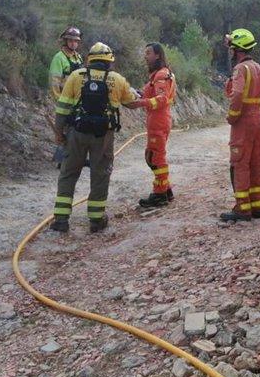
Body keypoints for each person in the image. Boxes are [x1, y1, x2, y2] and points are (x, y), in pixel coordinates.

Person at [50, 42, 139, 233]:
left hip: (77, 133)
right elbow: (131, 102)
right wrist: (146, 99)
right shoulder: (117, 79)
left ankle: (61, 220)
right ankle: (96, 220)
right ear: (109, 61)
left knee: (68, 173)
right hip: (103, 135)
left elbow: (62, 108)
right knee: (100, 174)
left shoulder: (76, 76)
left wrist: (59, 133)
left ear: (90, 59)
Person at [221, 28, 260, 222]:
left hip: (243, 123)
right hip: (255, 123)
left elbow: (237, 94)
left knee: (240, 164)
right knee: (255, 165)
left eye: (231, 48)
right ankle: (256, 206)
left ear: (237, 49)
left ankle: (242, 209)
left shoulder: (240, 69)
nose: (230, 51)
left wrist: (233, 116)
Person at [136, 43, 178, 208]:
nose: (145, 56)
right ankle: (166, 190)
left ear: (157, 55)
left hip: (158, 120)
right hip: (158, 119)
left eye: (148, 53)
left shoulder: (161, 75)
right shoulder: (160, 74)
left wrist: (140, 102)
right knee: (152, 156)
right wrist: (138, 94)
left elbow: (161, 99)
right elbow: (155, 95)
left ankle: (160, 194)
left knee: (156, 158)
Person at [49, 26, 83, 101]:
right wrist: (59, 100)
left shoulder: (79, 58)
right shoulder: (59, 57)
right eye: (70, 41)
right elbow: (54, 82)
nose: (73, 43)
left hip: (77, 101)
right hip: (64, 100)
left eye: (76, 41)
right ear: (65, 41)